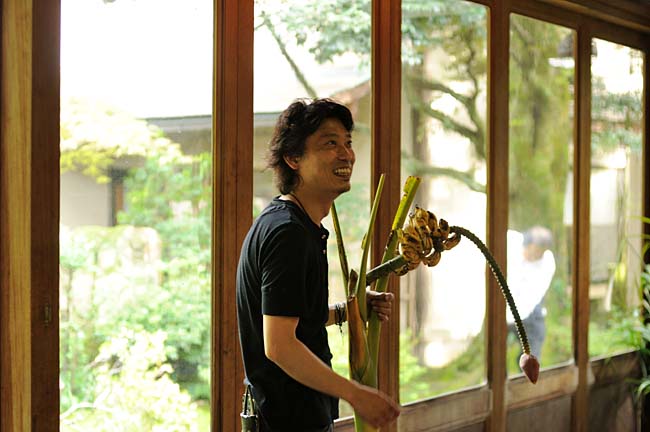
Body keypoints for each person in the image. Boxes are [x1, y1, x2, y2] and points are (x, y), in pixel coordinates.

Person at [236, 98, 401, 431]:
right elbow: (279, 346)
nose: (346, 154)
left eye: (347, 143)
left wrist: (349, 310)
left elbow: (292, 318)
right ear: (293, 158)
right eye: (330, 143)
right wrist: (356, 394)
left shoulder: (294, 224)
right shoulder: (288, 233)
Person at [506, 226, 556, 360]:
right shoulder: (510, 242)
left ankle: (527, 369)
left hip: (528, 308)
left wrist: (511, 318)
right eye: (534, 250)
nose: (536, 255)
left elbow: (532, 296)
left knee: (535, 343)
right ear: (526, 244)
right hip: (500, 303)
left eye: (541, 252)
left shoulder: (547, 262)